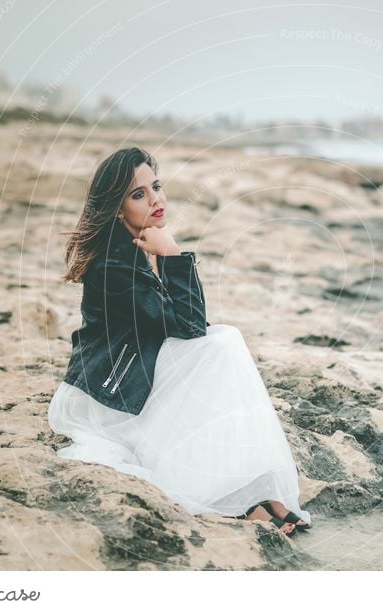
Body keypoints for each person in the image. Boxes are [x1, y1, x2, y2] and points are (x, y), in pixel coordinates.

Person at [47, 146, 312, 537]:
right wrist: (173, 254)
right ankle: (232, 502)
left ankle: (249, 491)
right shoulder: (113, 266)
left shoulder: (138, 244)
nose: (155, 199)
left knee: (221, 349)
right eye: (139, 194)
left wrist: (166, 254)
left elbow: (187, 324)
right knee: (221, 346)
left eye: (156, 187)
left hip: (139, 371)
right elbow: (190, 326)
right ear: (117, 210)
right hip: (111, 394)